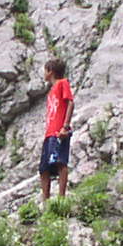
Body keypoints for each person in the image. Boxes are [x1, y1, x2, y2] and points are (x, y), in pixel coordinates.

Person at [38, 56, 74, 203]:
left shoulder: (62, 83)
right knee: (44, 168)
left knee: (60, 162)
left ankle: (61, 199)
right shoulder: (51, 91)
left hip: (59, 131)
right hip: (50, 133)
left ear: (50, 71)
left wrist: (65, 126)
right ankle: (46, 202)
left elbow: (70, 103)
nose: (44, 73)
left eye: (45, 70)